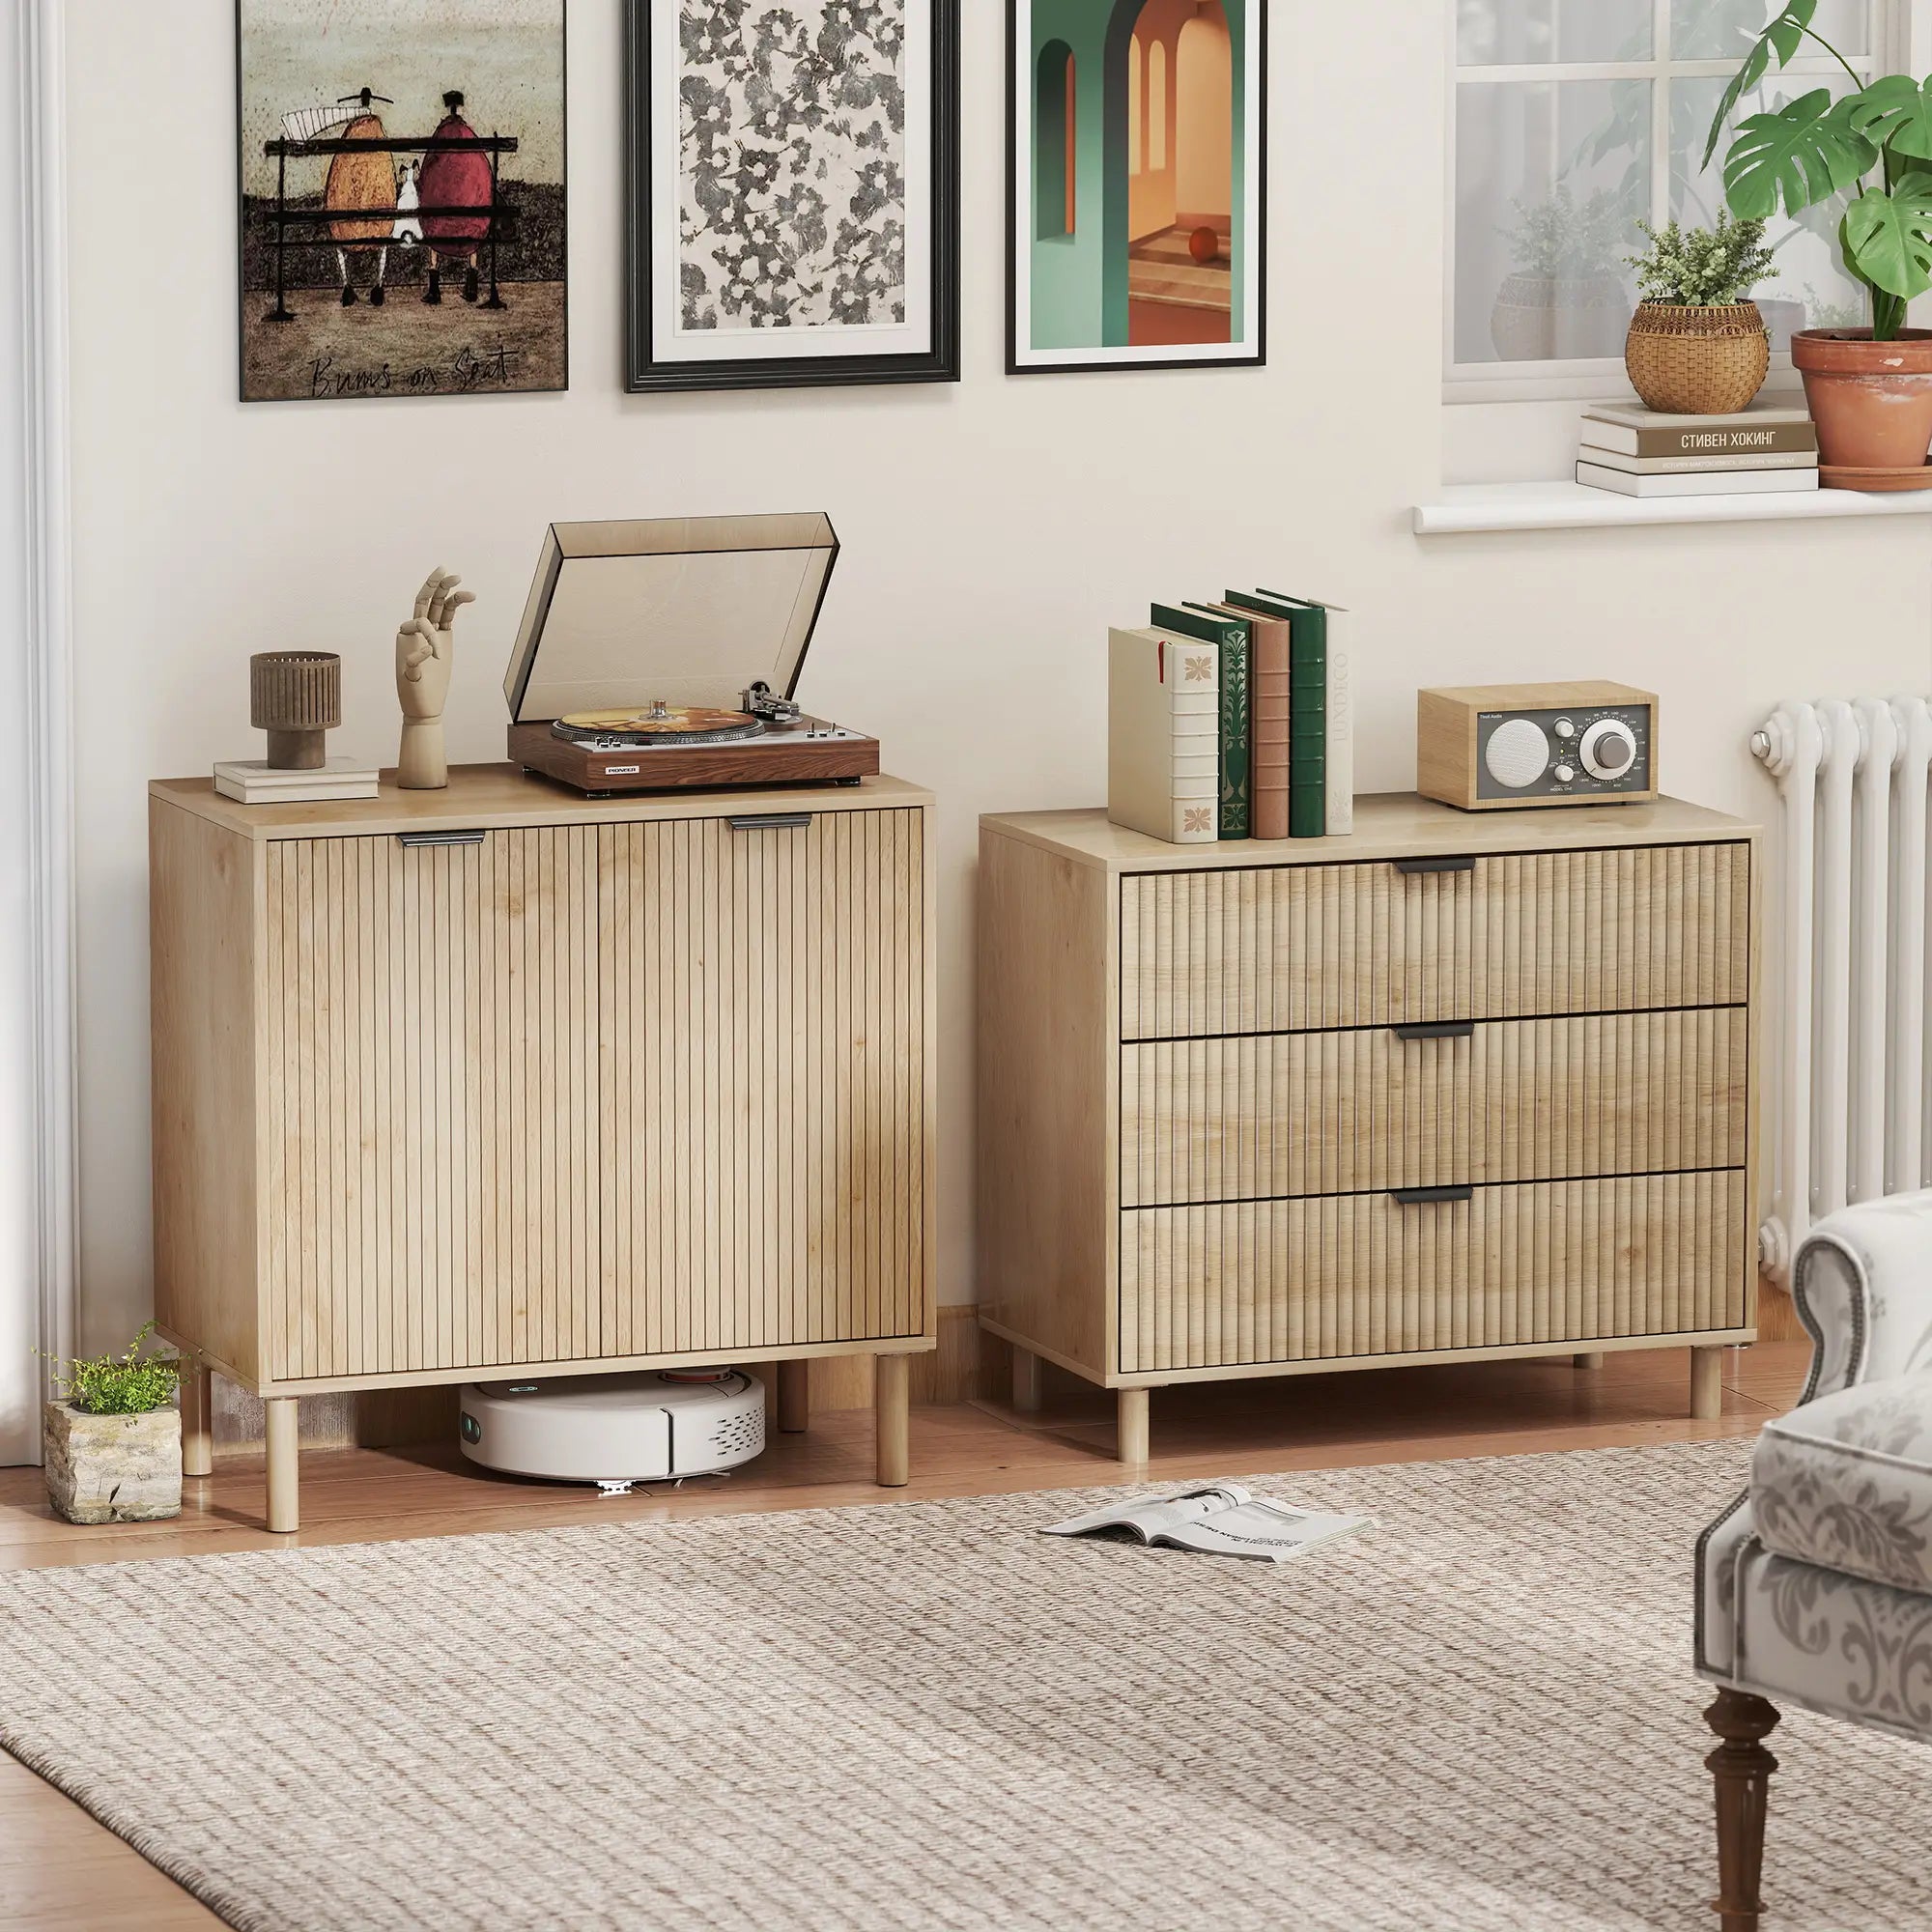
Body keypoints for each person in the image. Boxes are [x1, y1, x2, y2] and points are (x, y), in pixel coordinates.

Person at [417, 90, 493, 305]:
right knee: (472, 225)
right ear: (460, 108)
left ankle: (434, 290)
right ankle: (471, 286)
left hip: (441, 210)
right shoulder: (468, 134)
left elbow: (428, 170)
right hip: (470, 209)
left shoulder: (441, 134)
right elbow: (482, 171)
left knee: (434, 224)